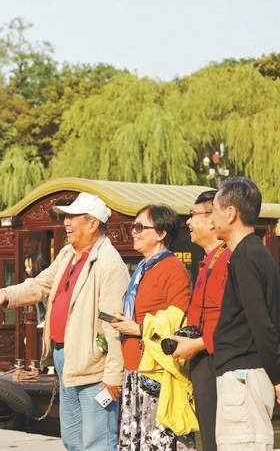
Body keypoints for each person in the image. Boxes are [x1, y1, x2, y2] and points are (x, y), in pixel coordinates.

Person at [0, 192, 129, 451]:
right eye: (66, 217)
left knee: (98, 442)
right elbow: (40, 284)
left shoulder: (109, 264)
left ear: (93, 224)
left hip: (93, 363)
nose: (66, 222)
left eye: (73, 217)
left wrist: (114, 376)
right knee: (72, 439)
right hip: (64, 357)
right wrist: (5, 294)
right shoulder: (68, 253)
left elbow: (113, 324)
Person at [110, 204, 196, 450]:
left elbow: (179, 323)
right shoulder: (142, 267)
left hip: (156, 371)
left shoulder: (173, 269)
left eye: (140, 227)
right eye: (133, 226)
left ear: (161, 233)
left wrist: (138, 328)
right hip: (134, 368)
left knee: (158, 441)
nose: (134, 232)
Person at [210, 177, 280, 450]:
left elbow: (262, 323)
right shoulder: (256, 253)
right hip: (248, 376)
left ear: (230, 213)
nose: (212, 219)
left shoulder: (245, 257)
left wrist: (277, 377)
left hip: (244, 376)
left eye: (214, 210)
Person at [169, 190, 231, 451]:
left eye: (192, 215)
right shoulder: (208, 261)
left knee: (221, 438)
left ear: (212, 220)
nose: (188, 223)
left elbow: (233, 321)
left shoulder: (229, 260)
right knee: (209, 435)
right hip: (203, 360)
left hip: (219, 359)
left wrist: (197, 343)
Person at [23, 250, 47, 325]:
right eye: (26, 267)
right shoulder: (35, 282)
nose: (27, 270)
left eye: (29, 266)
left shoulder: (43, 283)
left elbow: (47, 307)